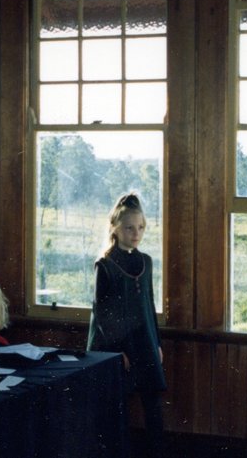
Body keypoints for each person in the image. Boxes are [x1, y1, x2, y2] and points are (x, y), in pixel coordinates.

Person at [87, 193, 165, 458]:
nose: (136, 233)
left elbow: (149, 305)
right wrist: (116, 351)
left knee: (153, 402)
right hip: (114, 347)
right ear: (115, 227)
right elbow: (102, 315)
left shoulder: (146, 262)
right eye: (130, 227)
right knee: (116, 407)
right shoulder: (105, 265)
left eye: (141, 227)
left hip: (144, 342)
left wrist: (157, 343)